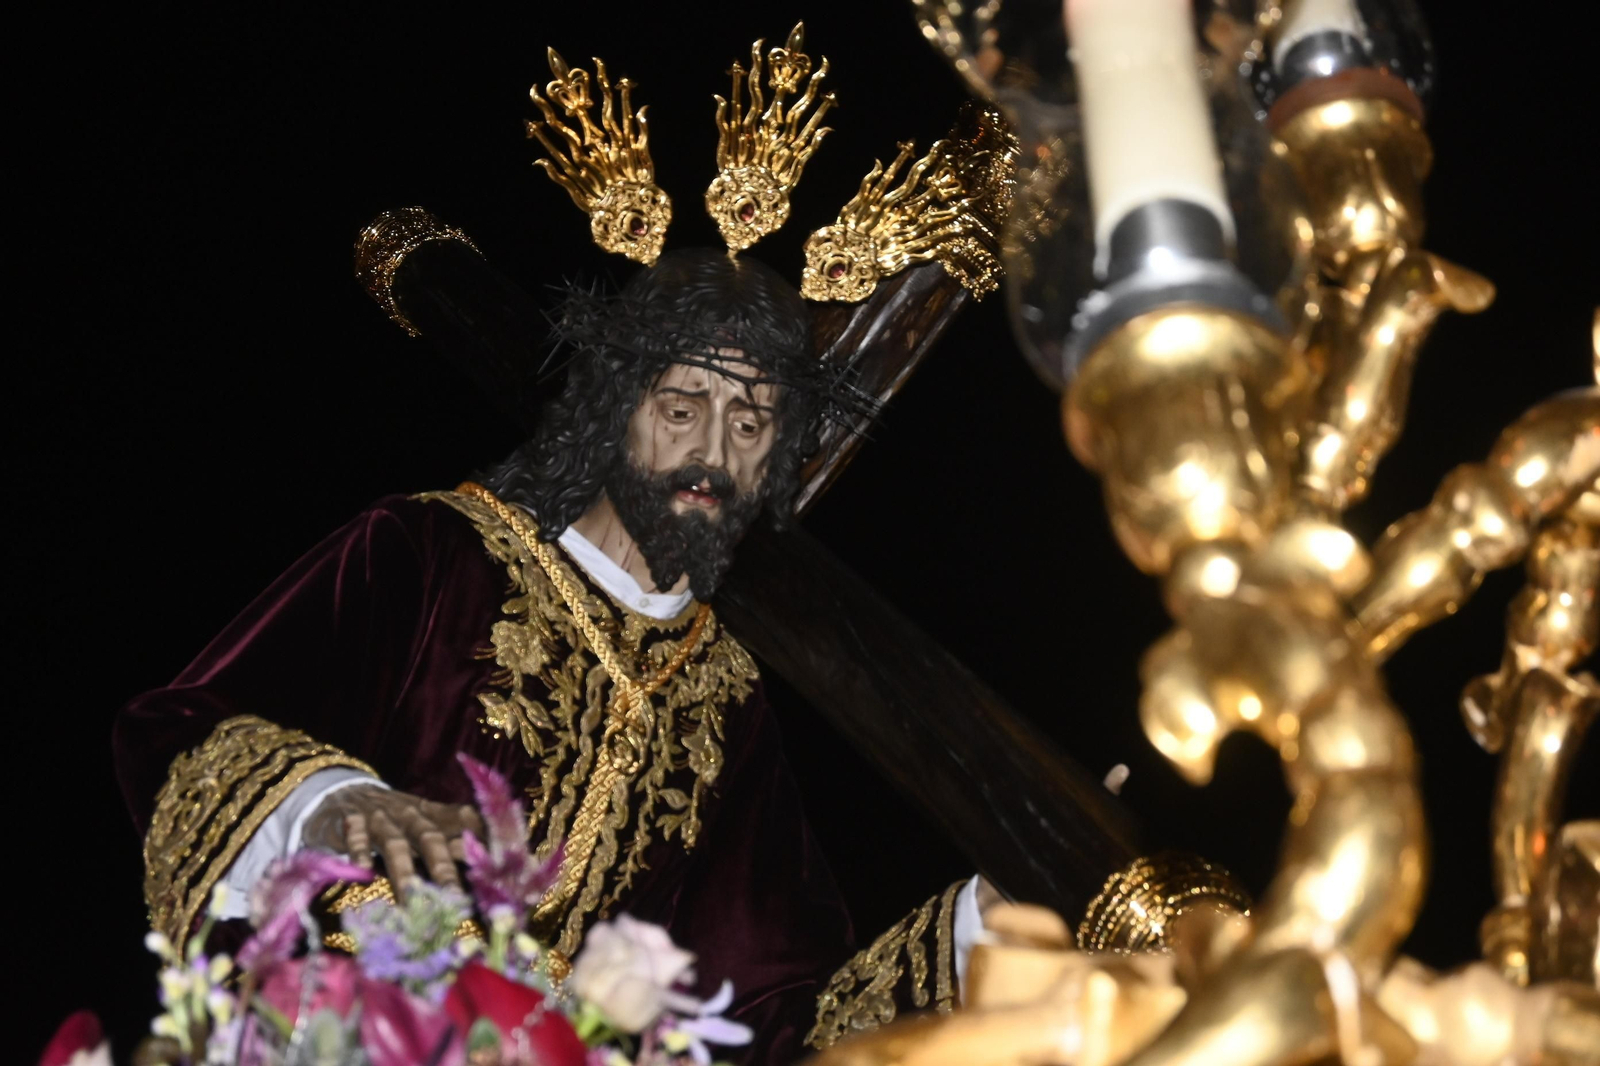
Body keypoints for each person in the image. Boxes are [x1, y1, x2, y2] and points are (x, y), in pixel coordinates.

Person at [115, 248, 984, 1063]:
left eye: (751, 425)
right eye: (682, 410)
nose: (712, 455)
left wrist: (986, 916)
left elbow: (783, 1009)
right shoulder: (430, 552)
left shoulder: (728, 702)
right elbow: (182, 727)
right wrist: (331, 804)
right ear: (617, 408)